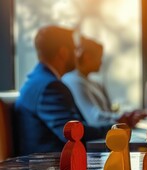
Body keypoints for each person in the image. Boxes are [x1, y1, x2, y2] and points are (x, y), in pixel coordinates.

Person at [15, 26, 132, 155]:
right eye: (75, 49)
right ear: (63, 53)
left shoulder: (39, 80)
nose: (77, 55)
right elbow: (74, 133)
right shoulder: (50, 86)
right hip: (49, 169)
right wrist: (115, 129)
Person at [63, 37, 147, 127]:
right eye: (99, 57)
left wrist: (128, 115)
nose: (101, 62)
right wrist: (121, 118)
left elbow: (109, 112)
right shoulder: (73, 81)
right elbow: (94, 119)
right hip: (97, 137)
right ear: (87, 57)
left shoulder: (97, 83)